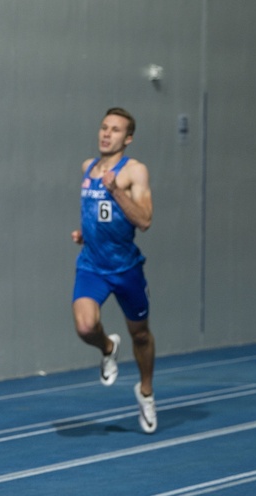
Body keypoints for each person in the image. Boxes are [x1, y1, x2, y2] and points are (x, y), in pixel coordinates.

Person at [71, 107, 156, 433]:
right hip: (92, 265)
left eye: (116, 130)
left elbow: (145, 220)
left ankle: (146, 392)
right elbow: (97, 213)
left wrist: (116, 191)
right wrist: (85, 233)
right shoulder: (87, 168)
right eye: (104, 127)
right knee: (85, 327)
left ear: (128, 138)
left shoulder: (135, 172)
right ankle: (108, 347)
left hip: (126, 269)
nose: (107, 134)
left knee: (141, 335)